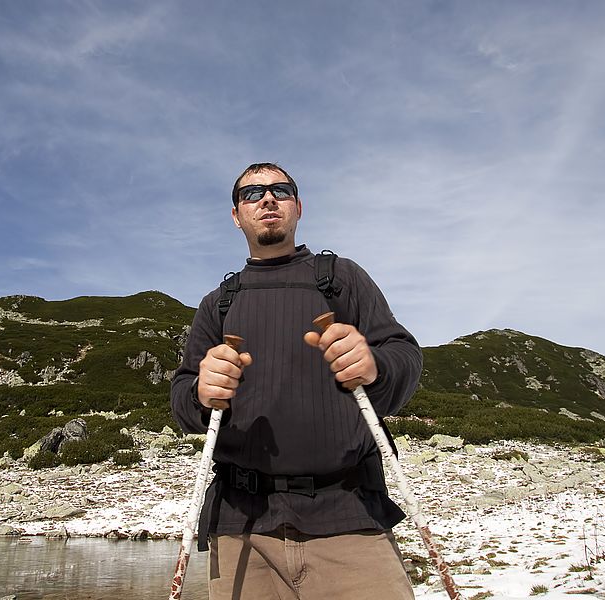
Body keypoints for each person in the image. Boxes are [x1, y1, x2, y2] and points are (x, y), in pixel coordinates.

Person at [170, 162, 422, 599]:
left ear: (298, 207)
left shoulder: (341, 279)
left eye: (280, 191)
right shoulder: (218, 305)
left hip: (348, 518)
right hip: (241, 530)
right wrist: (200, 391)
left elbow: (404, 354)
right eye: (252, 194)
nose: (267, 199)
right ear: (236, 215)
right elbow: (183, 402)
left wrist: (374, 365)